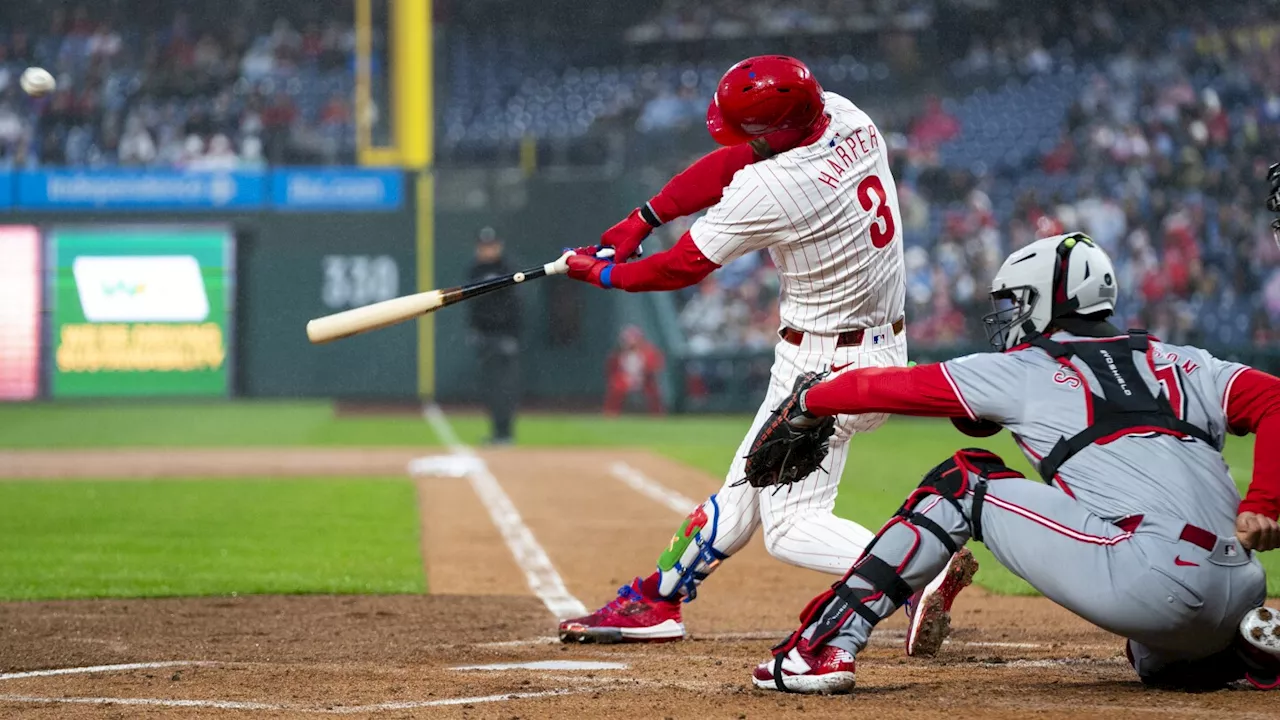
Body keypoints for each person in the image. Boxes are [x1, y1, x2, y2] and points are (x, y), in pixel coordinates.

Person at [558, 55, 974, 656]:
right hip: (871, 348)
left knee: (790, 528)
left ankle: (916, 574)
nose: (740, 140)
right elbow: (736, 158)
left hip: (825, 370)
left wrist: (601, 275)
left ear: (775, 133)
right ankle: (660, 598)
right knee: (745, 485)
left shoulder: (774, 187)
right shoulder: (846, 116)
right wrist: (644, 217)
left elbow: (681, 268)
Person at [748, 233, 1280, 694]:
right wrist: (1263, 501)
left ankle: (820, 648)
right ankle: (1244, 650)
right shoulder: (1186, 361)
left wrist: (809, 401)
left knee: (965, 480)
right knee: (1150, 654)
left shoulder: (1025, 367)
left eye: (1016, 304)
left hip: (1153, 580)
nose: (1008, 319)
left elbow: (884, 387)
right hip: (1242, 585)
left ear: (1048, 300)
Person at [467, 227, 521, 445]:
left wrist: (513, 335)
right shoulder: (474, 270)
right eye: (484, 245)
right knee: (489, 387)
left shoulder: (507, 268)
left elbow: (517, 304)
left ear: (499, 246)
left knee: (504, 386)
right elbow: (471, 305)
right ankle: (497, 432)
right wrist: (474, 330)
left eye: (491, 245)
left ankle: (505, 432)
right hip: (485, 335)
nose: (488, 249)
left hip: (504, 334)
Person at [604, 326, 665, 416]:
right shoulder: (619, 353)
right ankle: (611, 413)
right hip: (625, 378)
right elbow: (611, 368)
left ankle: (657, 414)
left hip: (644, 379)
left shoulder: (648, 351)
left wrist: (644, 373)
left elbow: (656, 365)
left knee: (654, 392)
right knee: (615, 388)